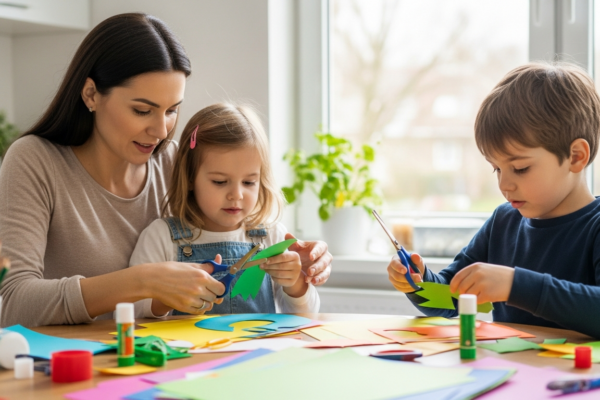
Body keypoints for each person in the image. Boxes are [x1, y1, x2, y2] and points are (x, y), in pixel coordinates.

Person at [0, 13, 332, 328]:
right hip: (68, 369)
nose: (161, 131)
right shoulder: (35, 161)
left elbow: (242, 225)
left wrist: (303, 265)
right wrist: (140, 282)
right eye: (142, 110)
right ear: (91, 95)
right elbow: (13, 302)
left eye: (172, 110)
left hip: (165, 363)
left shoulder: (175, 161)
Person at [387, 62, 600, 338]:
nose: (504, 184)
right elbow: (451, 299)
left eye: (520, 168)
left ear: (576, 157)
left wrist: (515, 285)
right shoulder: (504, 221)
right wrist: (419, 282)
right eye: (496, 168)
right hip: (512, 375)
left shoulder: (594, 227)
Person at [130, 103, 320, 316]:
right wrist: (167, 297)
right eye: (220, 182)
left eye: (249, 183)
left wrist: (295, 284)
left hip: (257, 349)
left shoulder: (272, 236)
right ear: (190, 177)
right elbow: (134, 308)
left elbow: (307, 316)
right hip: (190, 350)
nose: (236, 195)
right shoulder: (162, 238)